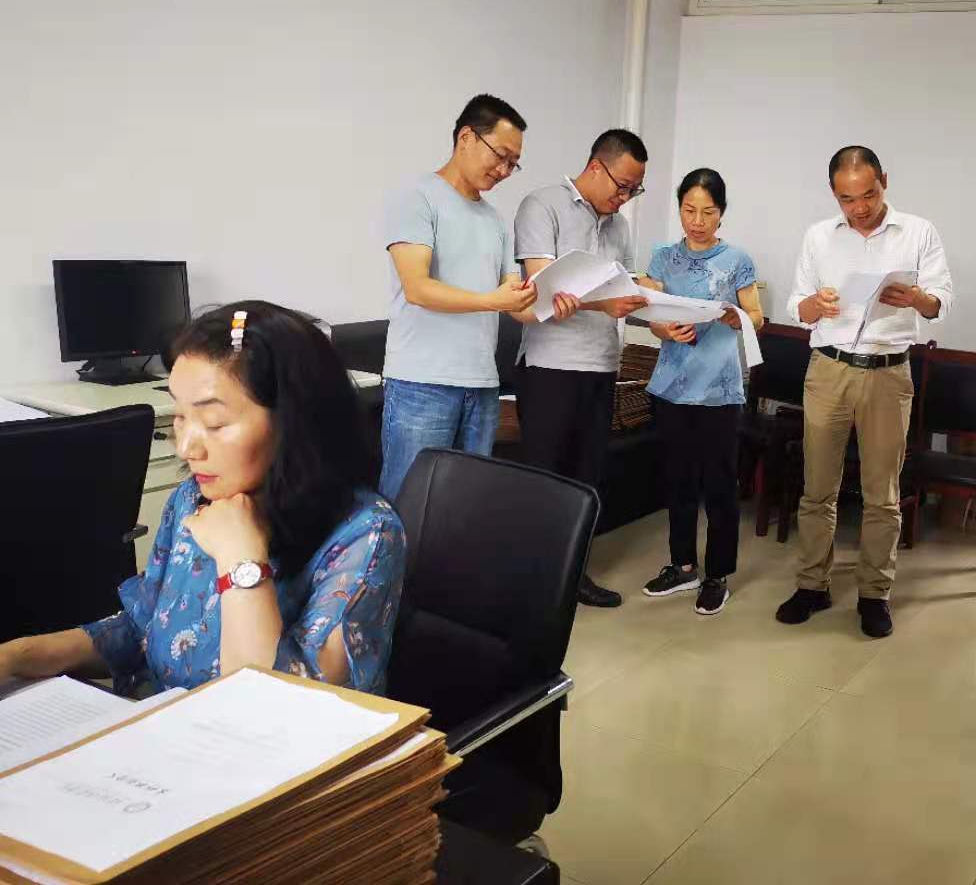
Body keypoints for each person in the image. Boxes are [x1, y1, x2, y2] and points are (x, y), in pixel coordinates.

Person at [0, 302, 406, 695]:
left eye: (214, 423)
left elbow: (281, 707)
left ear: (295, 421)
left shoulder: (366, 534)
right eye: (180, 416)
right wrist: (17, 656)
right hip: (164, 727)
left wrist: (241, 560)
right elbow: (142, 628)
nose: (186, 448)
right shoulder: (191, 500)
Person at [774, 146, 953, 638]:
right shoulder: (818, 236)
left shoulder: (918, 232)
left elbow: (940, 303)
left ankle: (875, 594)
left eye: (868, 195)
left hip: (889, 373)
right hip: (828, 371)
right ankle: (812, 585)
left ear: (884, 181)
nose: (859, 208)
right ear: (834, 194)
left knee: (882, 494)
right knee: (817, 488)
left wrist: (915, 298)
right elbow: (796, 306)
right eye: (847, 199)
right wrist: (814, 305)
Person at [513, 129, 651, 608]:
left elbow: (626, 291)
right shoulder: (542, 205)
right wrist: (604, 303)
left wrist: (657, 307)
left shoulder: (619, 226)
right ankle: (532, 585)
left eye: (635, 189)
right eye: (623, 186)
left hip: (602, 365)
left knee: (587, 480)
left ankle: (573, 576)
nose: (625, 197)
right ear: (596, 167)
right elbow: (540, 290)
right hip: (550, 366)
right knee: (545, 480)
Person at [378, 92, 538, 502]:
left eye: (513, 163)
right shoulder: (417, 196)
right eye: (500, 156)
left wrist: (558, 300)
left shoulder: (495, 220)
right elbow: (417, 287)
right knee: (409, 504)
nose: (504, 170)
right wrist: (495, 301)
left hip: (482, 385)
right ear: (466, 137)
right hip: (422, 383)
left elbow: (513, 299)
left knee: (464, 508)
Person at [638, 169, 764, 616]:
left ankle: (717, 575)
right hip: (671, 386)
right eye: (689, 210)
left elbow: (756, 315)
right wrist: (663, 328)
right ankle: (683, 565)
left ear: (721, 213)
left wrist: (736, 317)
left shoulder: (737, 259)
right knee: (678, 480)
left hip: (719, 390)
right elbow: (648, 311)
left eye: (707, 212)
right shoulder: (663, 258)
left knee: (719, 484)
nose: (697, 221)